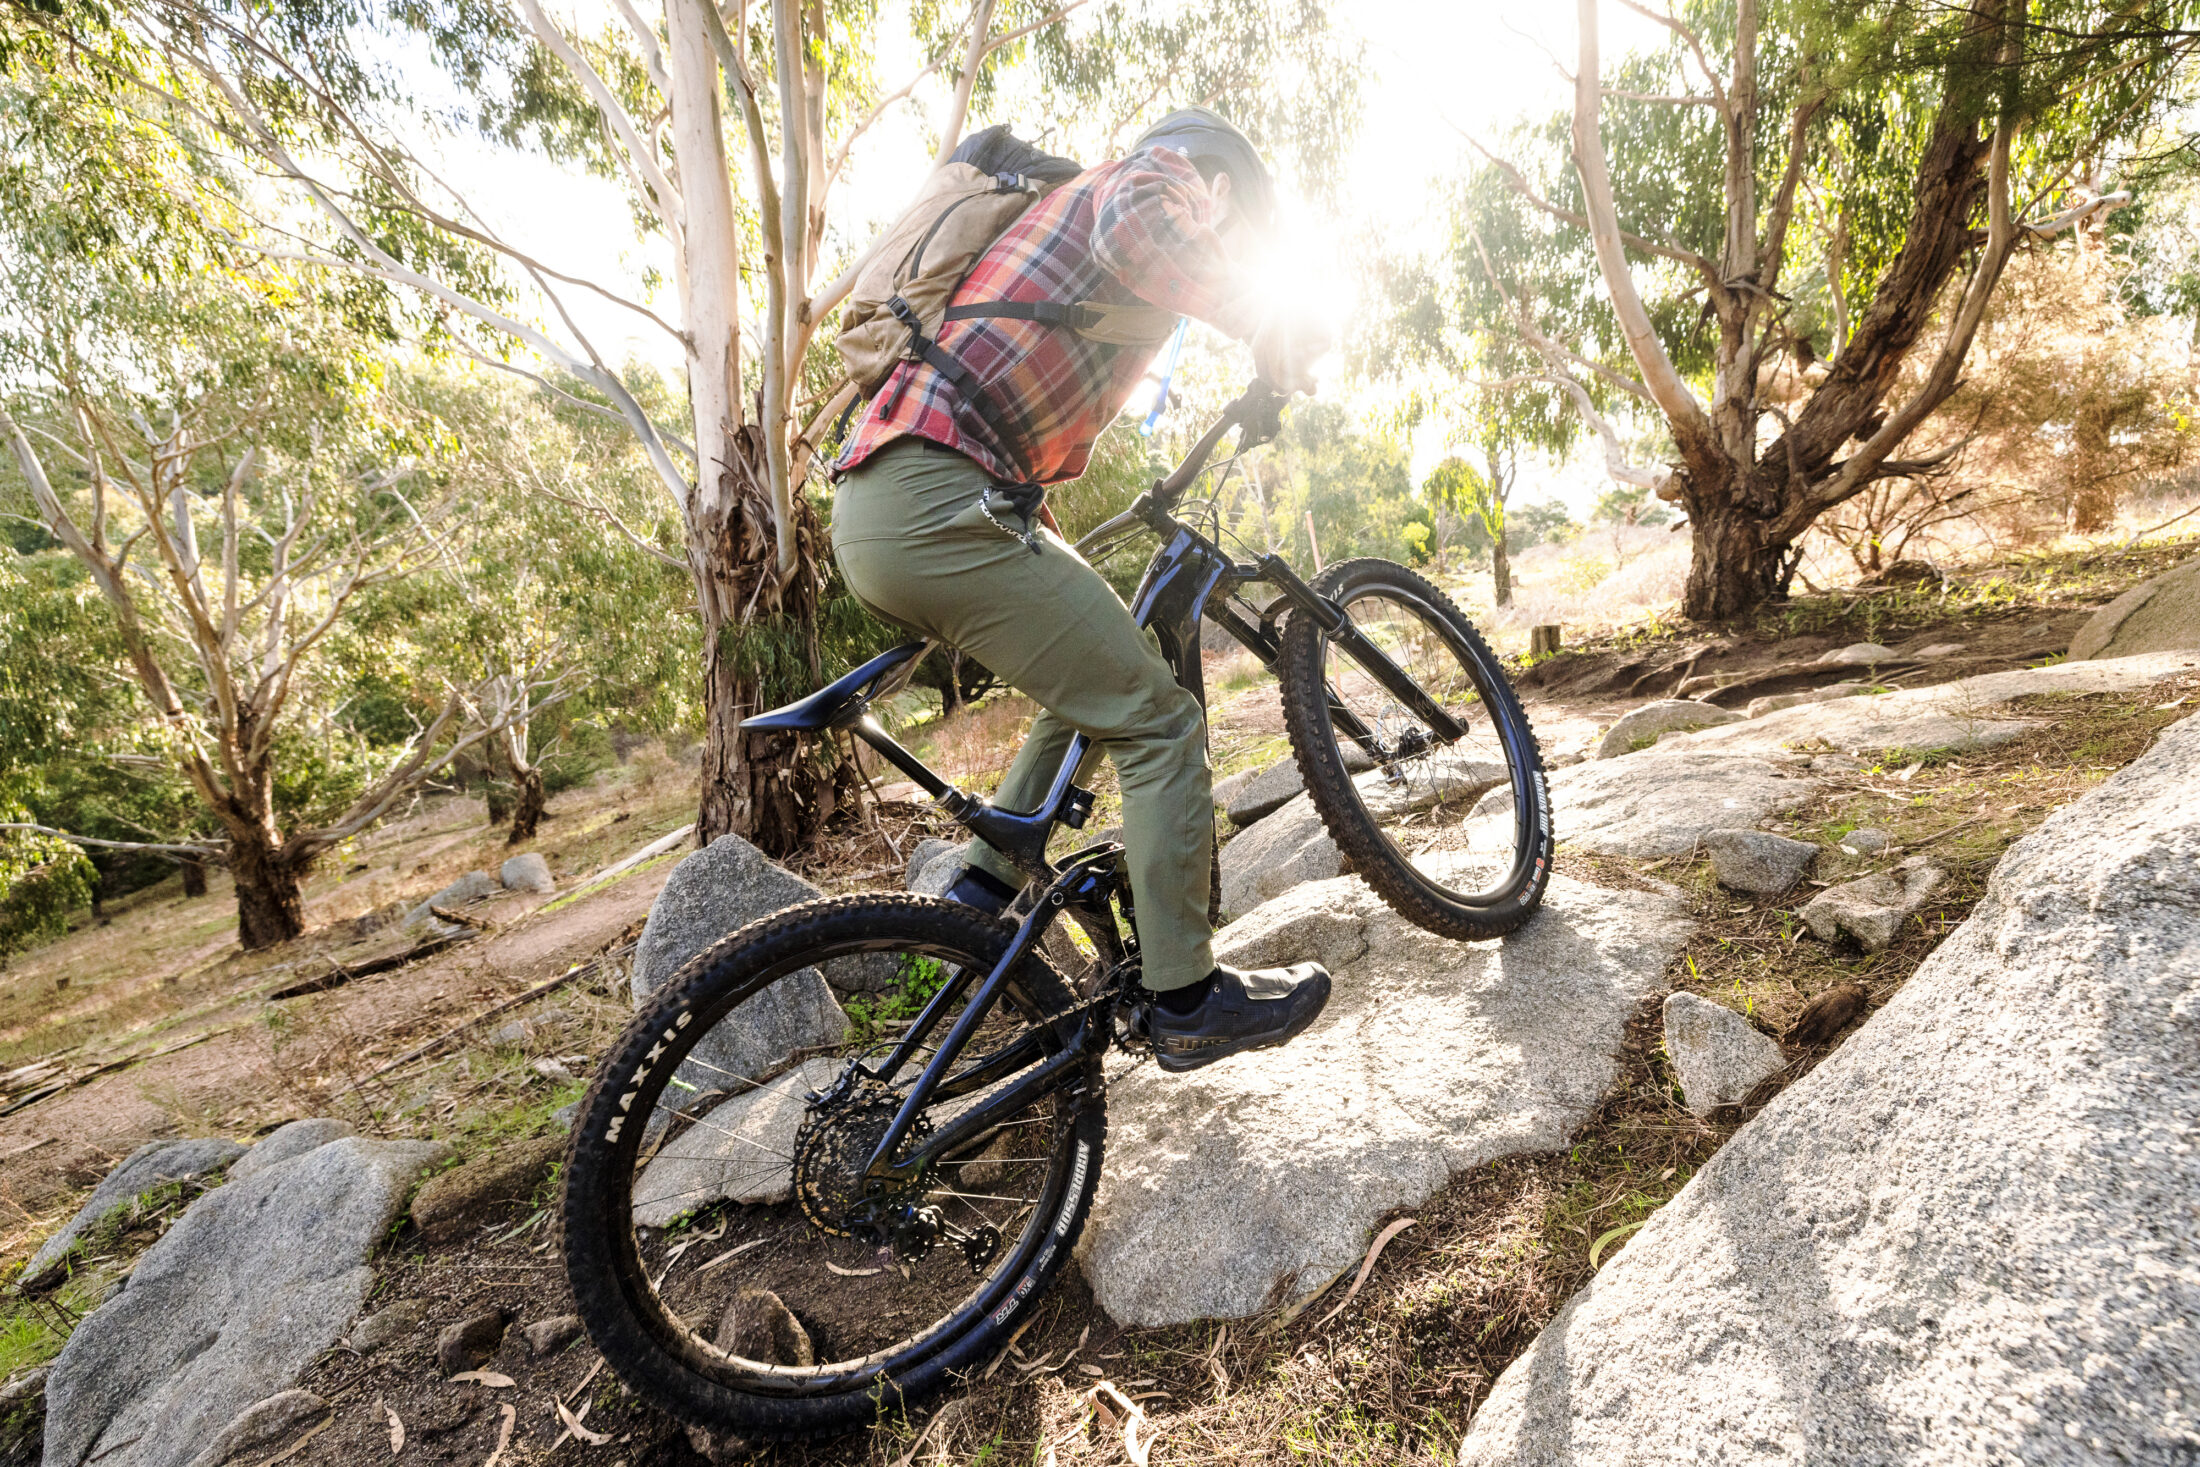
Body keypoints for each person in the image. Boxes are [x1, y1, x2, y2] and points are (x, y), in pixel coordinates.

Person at [830, 108, 1331, 1073]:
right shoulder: (1158, 177)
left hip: (896, 502)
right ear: (1221, 190)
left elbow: (1006, 427)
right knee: (1161, 720)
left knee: (1101, 678)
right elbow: (1140, 229)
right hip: (931, 503)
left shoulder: (1065, 253)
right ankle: (1185, 997)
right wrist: (1274, 324)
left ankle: (978, 898)